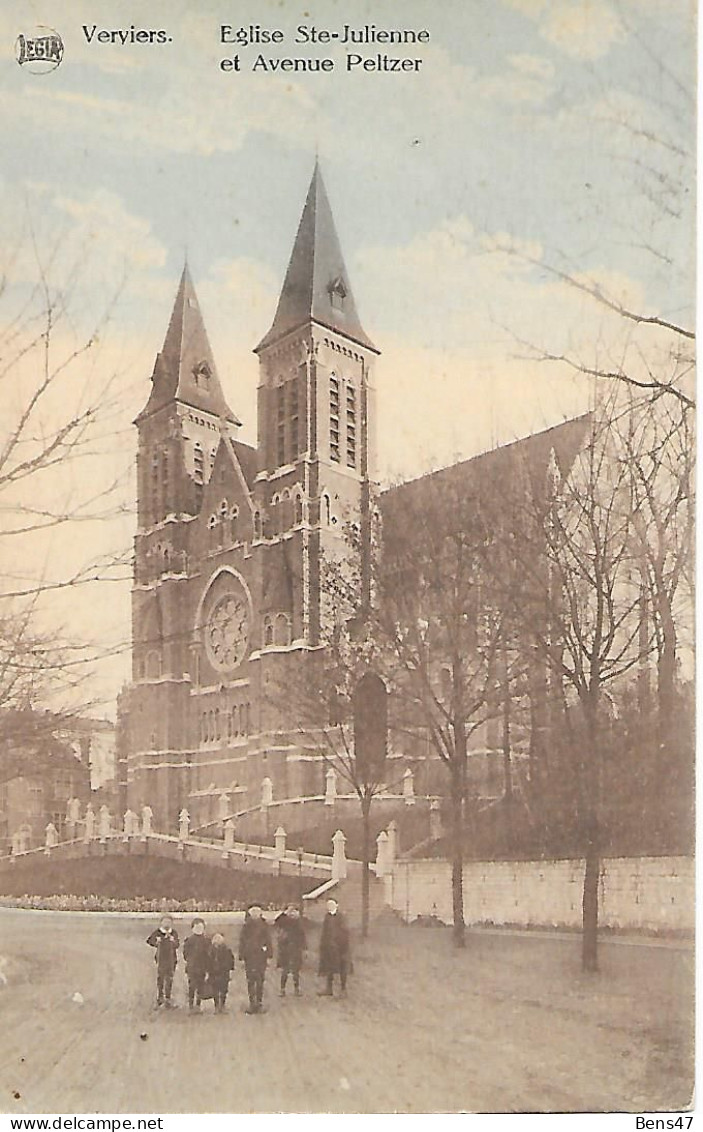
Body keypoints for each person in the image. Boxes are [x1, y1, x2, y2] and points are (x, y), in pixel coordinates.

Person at [239, 904, 272, 1014]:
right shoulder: (246, 926)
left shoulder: (264, 925)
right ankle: (252, 1003)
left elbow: (268, 941)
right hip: (249, 957)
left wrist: (269, 956)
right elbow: (242, 942)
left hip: (261, 957)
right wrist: (242, 957)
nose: (255, 914)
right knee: (250, 981)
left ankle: (259, 1002)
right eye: (253, 911)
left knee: (260, 980)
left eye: (257, 911)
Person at [318, 898, 351, 997]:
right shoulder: (327, 917)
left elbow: (345, 931)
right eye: (328, 905)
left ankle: (343, 990)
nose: (329, 906)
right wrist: (323, 944)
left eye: (332, 904)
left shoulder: (341, 916)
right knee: (329, 968)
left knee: (342, 968)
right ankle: (329, 989)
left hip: (340, 947)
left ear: (337, 905)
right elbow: (325, 931)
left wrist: (341, 944)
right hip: (329, 947)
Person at [146, 915, 179, 1008]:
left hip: (171, 959)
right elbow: (149, 941)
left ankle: (168, 998)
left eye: (169, 922)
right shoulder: (158, 932)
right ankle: (160, 997)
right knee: (161, 978)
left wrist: (173, 941)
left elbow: (177, 944)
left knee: (170, 978)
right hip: (161, 959)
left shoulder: (173, 933)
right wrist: (156, 942)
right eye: (165, 922)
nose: (167, 924)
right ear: (161, 923)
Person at [275, 905, 306, 996]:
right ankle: (282, 989)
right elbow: (277, 921)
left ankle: (296, 989)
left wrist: (304, 948)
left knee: (296, 971)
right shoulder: (284, 920)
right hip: (286, 949)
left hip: (296, 949)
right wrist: (284, 913)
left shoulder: (299, 922)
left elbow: (302, 936)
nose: (292, 913)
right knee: (285, 970)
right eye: (290, 911)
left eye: (294, 911)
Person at [183, 917, 211, 1013]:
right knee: (192, 986)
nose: (199, 930)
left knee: (201, 986)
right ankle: (191, 1005)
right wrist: (190, 961)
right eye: (196, 928)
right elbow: (185, 953)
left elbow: (209, 954)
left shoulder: (207, 941)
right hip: (192, 967)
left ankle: (198, 1005)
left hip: (202, 966)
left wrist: (207, 966)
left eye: (201, 928)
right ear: (192, 929)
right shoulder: (189, 940)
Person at [208, 932, 235, 1014]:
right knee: (215, 991)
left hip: (224, 973)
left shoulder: (226, 950)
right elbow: (208, 961)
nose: (217, 942)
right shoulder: (210, 950)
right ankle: (216, 1006)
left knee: (223, 990)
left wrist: (228, 969)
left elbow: (230, 961)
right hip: (213, 973)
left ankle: (222, 1005)